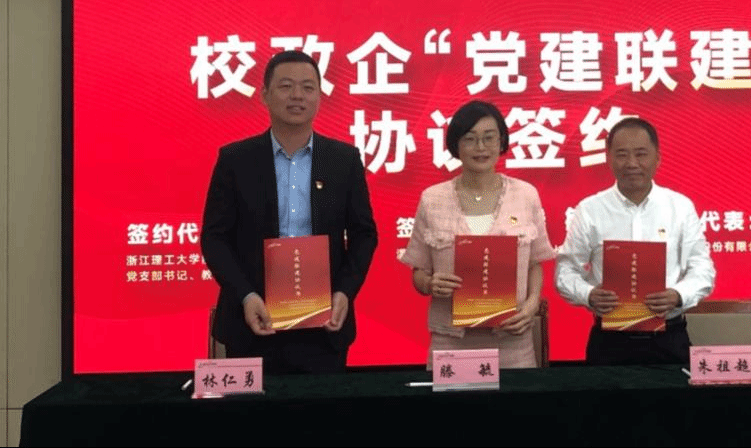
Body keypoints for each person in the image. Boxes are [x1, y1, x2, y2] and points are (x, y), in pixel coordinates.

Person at [201, 50, 378, 374]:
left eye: (308, 88)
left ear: (320, 96)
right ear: (264, 95)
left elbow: (364, 234)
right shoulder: (235, 160)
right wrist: (246, 295)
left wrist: (344, 291)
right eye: (286, 86)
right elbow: (215, 238)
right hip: (252, 321)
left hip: (324, 326)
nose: (297, 95)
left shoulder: (343, 160)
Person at [400, 100, 556, 368]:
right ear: (456, 145)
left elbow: (534, 264)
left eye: (489, 137)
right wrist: (429, 283)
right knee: (456, 398)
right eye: (470, 139)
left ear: (501, 141)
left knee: (515, 398)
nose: (481, 147)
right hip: (452, 341)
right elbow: (419, 273)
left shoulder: (526, 194)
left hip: (512, 340)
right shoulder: (432, 199)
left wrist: (531, 306)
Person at [555, 117, 715, 365]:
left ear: (657, 158)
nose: (631, 163)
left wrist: (678, 294)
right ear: (608, 158)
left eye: (641, 154)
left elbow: (703, 269)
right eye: (622, 155)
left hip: (669, 337)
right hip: (610, 341)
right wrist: (589, 294)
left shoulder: (680, 207)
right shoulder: (590, 210)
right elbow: (565, 270)